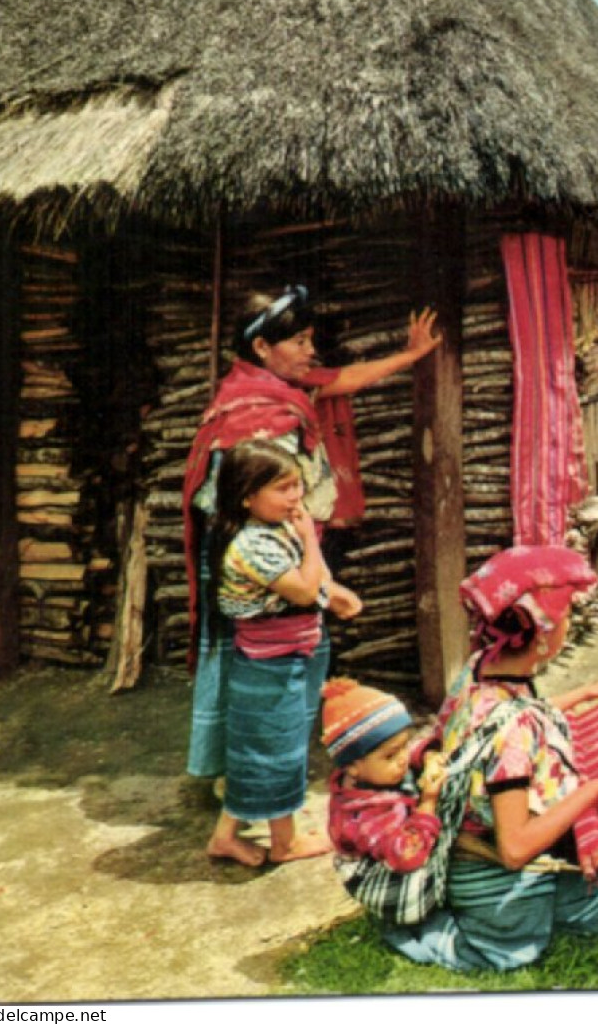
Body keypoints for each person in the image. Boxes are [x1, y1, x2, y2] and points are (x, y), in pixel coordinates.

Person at [185, 283, 442, 866]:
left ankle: (248, 797)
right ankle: (251, 795)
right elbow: (227, 509)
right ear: (261, 348)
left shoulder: (279, 390)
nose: (310, 350)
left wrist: (410, 356)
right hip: (264, 579)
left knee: (277, 707)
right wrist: (305, 566)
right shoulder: (253, 415)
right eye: (298, 341)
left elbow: (338, 380)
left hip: (285, 575)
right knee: (264, 710)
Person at [381, 546, 598, 972]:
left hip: (459, 839)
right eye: (564, 618)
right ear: (541, 635)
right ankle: (491, 927)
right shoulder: (514, 731)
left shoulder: (479, 668)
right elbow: (514, 848)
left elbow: (505, 717)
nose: (567, 625)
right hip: (492, 883)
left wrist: (584, 694)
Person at [203, 439, 361, 864]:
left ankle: (226, 836)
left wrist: (335, 594)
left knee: (267, 748)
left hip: (288, 656)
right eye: (282, 488)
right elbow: (306, 587)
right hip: (269, 666)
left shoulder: (277, 529)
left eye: (296, 486)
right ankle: (284, 843)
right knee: (275, 751)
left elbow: (317, 579)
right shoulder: (253, 545)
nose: (295, 497)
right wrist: (310, 538)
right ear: (247, 497)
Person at [322, 677, 448, 873]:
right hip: (387, 872)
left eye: (404, 746)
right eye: (391, 755)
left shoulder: (373, 772)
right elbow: (408, 856)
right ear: (353, 766)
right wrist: (427, 804)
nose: (402, 759)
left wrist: (428, 756)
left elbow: (409, 750)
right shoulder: (366, 817)